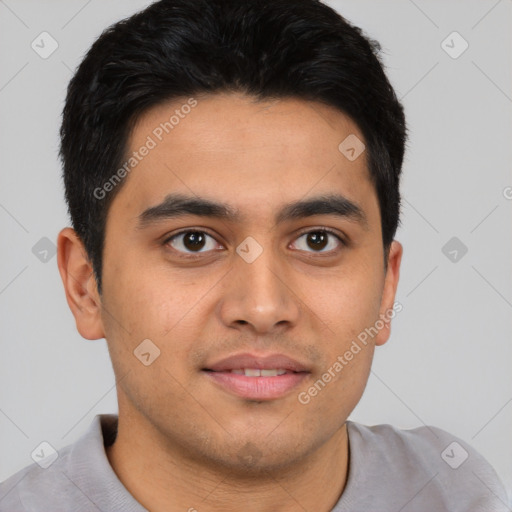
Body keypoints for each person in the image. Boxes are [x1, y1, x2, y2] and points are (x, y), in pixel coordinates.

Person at [0, 1, 509, 511]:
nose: (263, 307)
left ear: (386, 287)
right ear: (85, 286)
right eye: (193, 240)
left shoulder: (459, 491)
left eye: (317, 240)